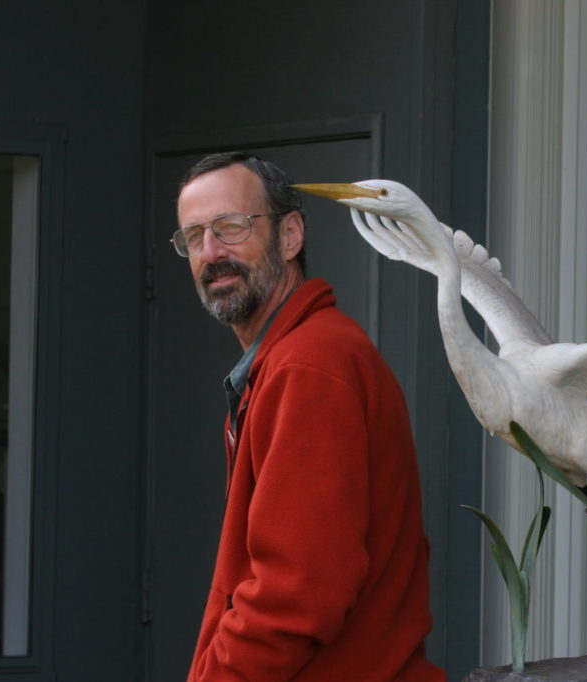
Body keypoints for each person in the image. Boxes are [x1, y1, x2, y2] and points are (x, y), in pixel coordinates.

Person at [174, 151, 444, 681]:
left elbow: (295, 594)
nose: (211, 252)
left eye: (230, 226)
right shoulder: (292, 358)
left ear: (290, 234)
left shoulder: (309, 365)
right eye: (193, 236)